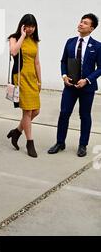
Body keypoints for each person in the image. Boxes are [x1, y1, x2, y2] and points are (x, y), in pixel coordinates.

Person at [48, 13, 101, 157]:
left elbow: (100, 68)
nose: (80, 24)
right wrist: (64, 76)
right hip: (70, 86)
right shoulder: (70, 42)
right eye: (81, 21)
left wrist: (87, 80)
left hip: (87, 87)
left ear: (91, 28)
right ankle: (60, 142)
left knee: (84, 115)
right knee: (64, 113)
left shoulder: (97, 46)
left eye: (85, 23)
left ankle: (83, 145)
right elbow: (63, 61)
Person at [7, 14, 41, 158]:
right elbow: (13, 51)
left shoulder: (35, 41)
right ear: (23, 25)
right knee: (27, 111)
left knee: (36, 111)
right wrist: (22, 35)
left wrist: (40, 80)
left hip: (32, 78)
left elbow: (37, 62)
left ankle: (17, 132)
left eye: (33, 27)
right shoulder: (14, 38)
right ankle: (30, 142)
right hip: (20, 77)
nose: (30, 29)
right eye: (28, 26)